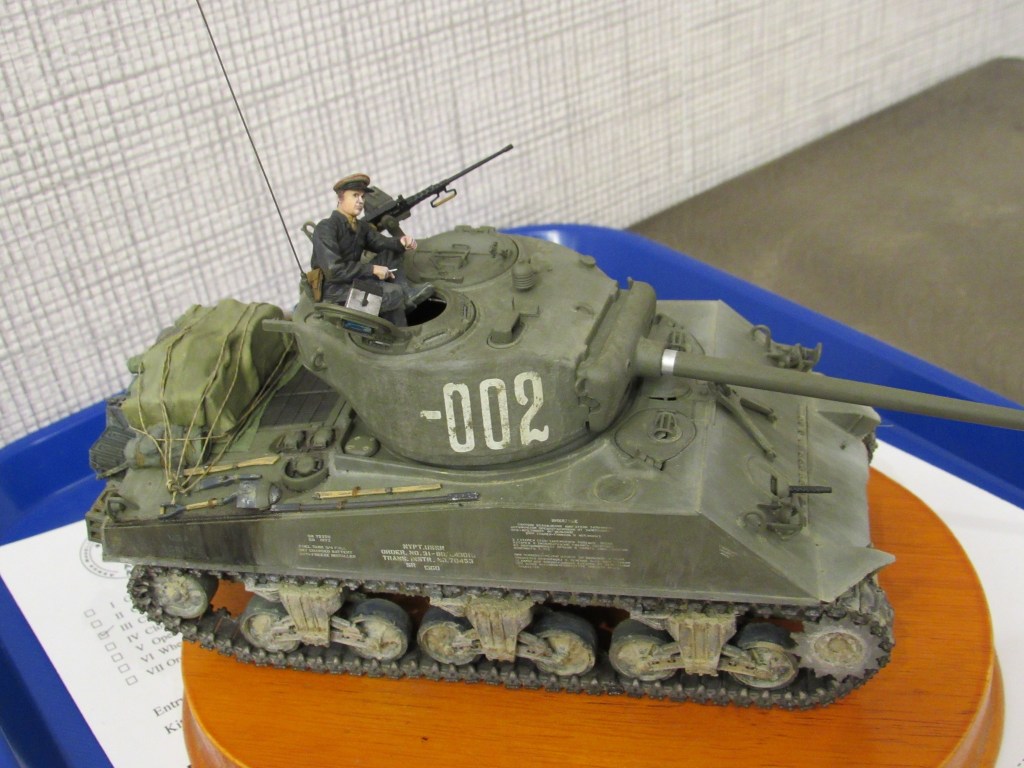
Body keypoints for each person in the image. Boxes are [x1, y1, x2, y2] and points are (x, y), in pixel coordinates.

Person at [311, 173, 433, 325]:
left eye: (362, 197)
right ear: (340, 199)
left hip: (353, 277)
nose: (360, 201)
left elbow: (381, 243)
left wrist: (401, 242)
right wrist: (372, 269)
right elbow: (334, 270)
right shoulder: (326, 228)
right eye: (355, 195)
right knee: (392, 293)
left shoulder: (360, 226)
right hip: (335, 290)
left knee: (392, 252)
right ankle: (399, 330)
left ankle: (406, 293)